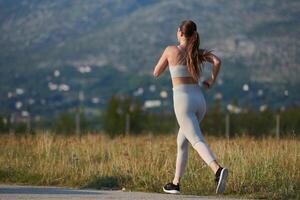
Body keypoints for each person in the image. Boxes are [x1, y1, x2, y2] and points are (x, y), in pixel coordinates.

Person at [153, 20, 228, 194]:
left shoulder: (170, 50)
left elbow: (156, 73)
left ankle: (217, 170)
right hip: (199, 101)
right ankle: (175, 183)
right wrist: (211, 80)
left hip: (183, 101)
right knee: (182, 141)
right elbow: (217, 61)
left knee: (196, 140)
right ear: (194, 35)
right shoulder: (197, 53)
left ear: (180, 33)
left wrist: (169, 64)